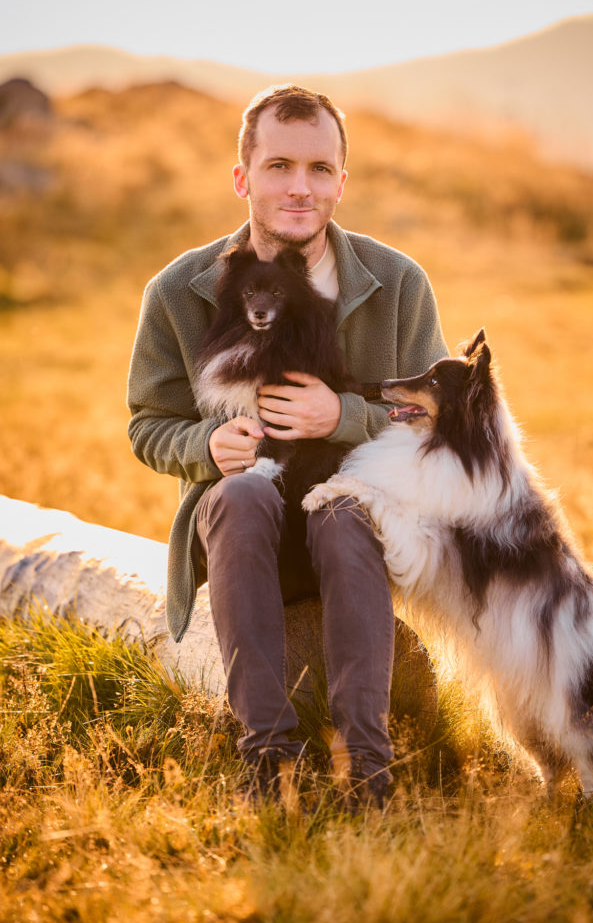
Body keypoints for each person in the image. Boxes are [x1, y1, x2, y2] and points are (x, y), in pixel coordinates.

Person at [127, 84, 448, 806]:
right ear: (242, 177)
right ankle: (268, 759)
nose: (299, 188)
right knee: (240, 493)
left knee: (344, 510)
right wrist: (209, 446)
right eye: (278, 166)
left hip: (362, 532)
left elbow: (437, 421)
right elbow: (147, 424)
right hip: (244, 529)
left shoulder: (396, 284)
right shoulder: (179, 290)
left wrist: (343, 416)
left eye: (319, 169)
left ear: (342, 179)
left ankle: (369, 767)